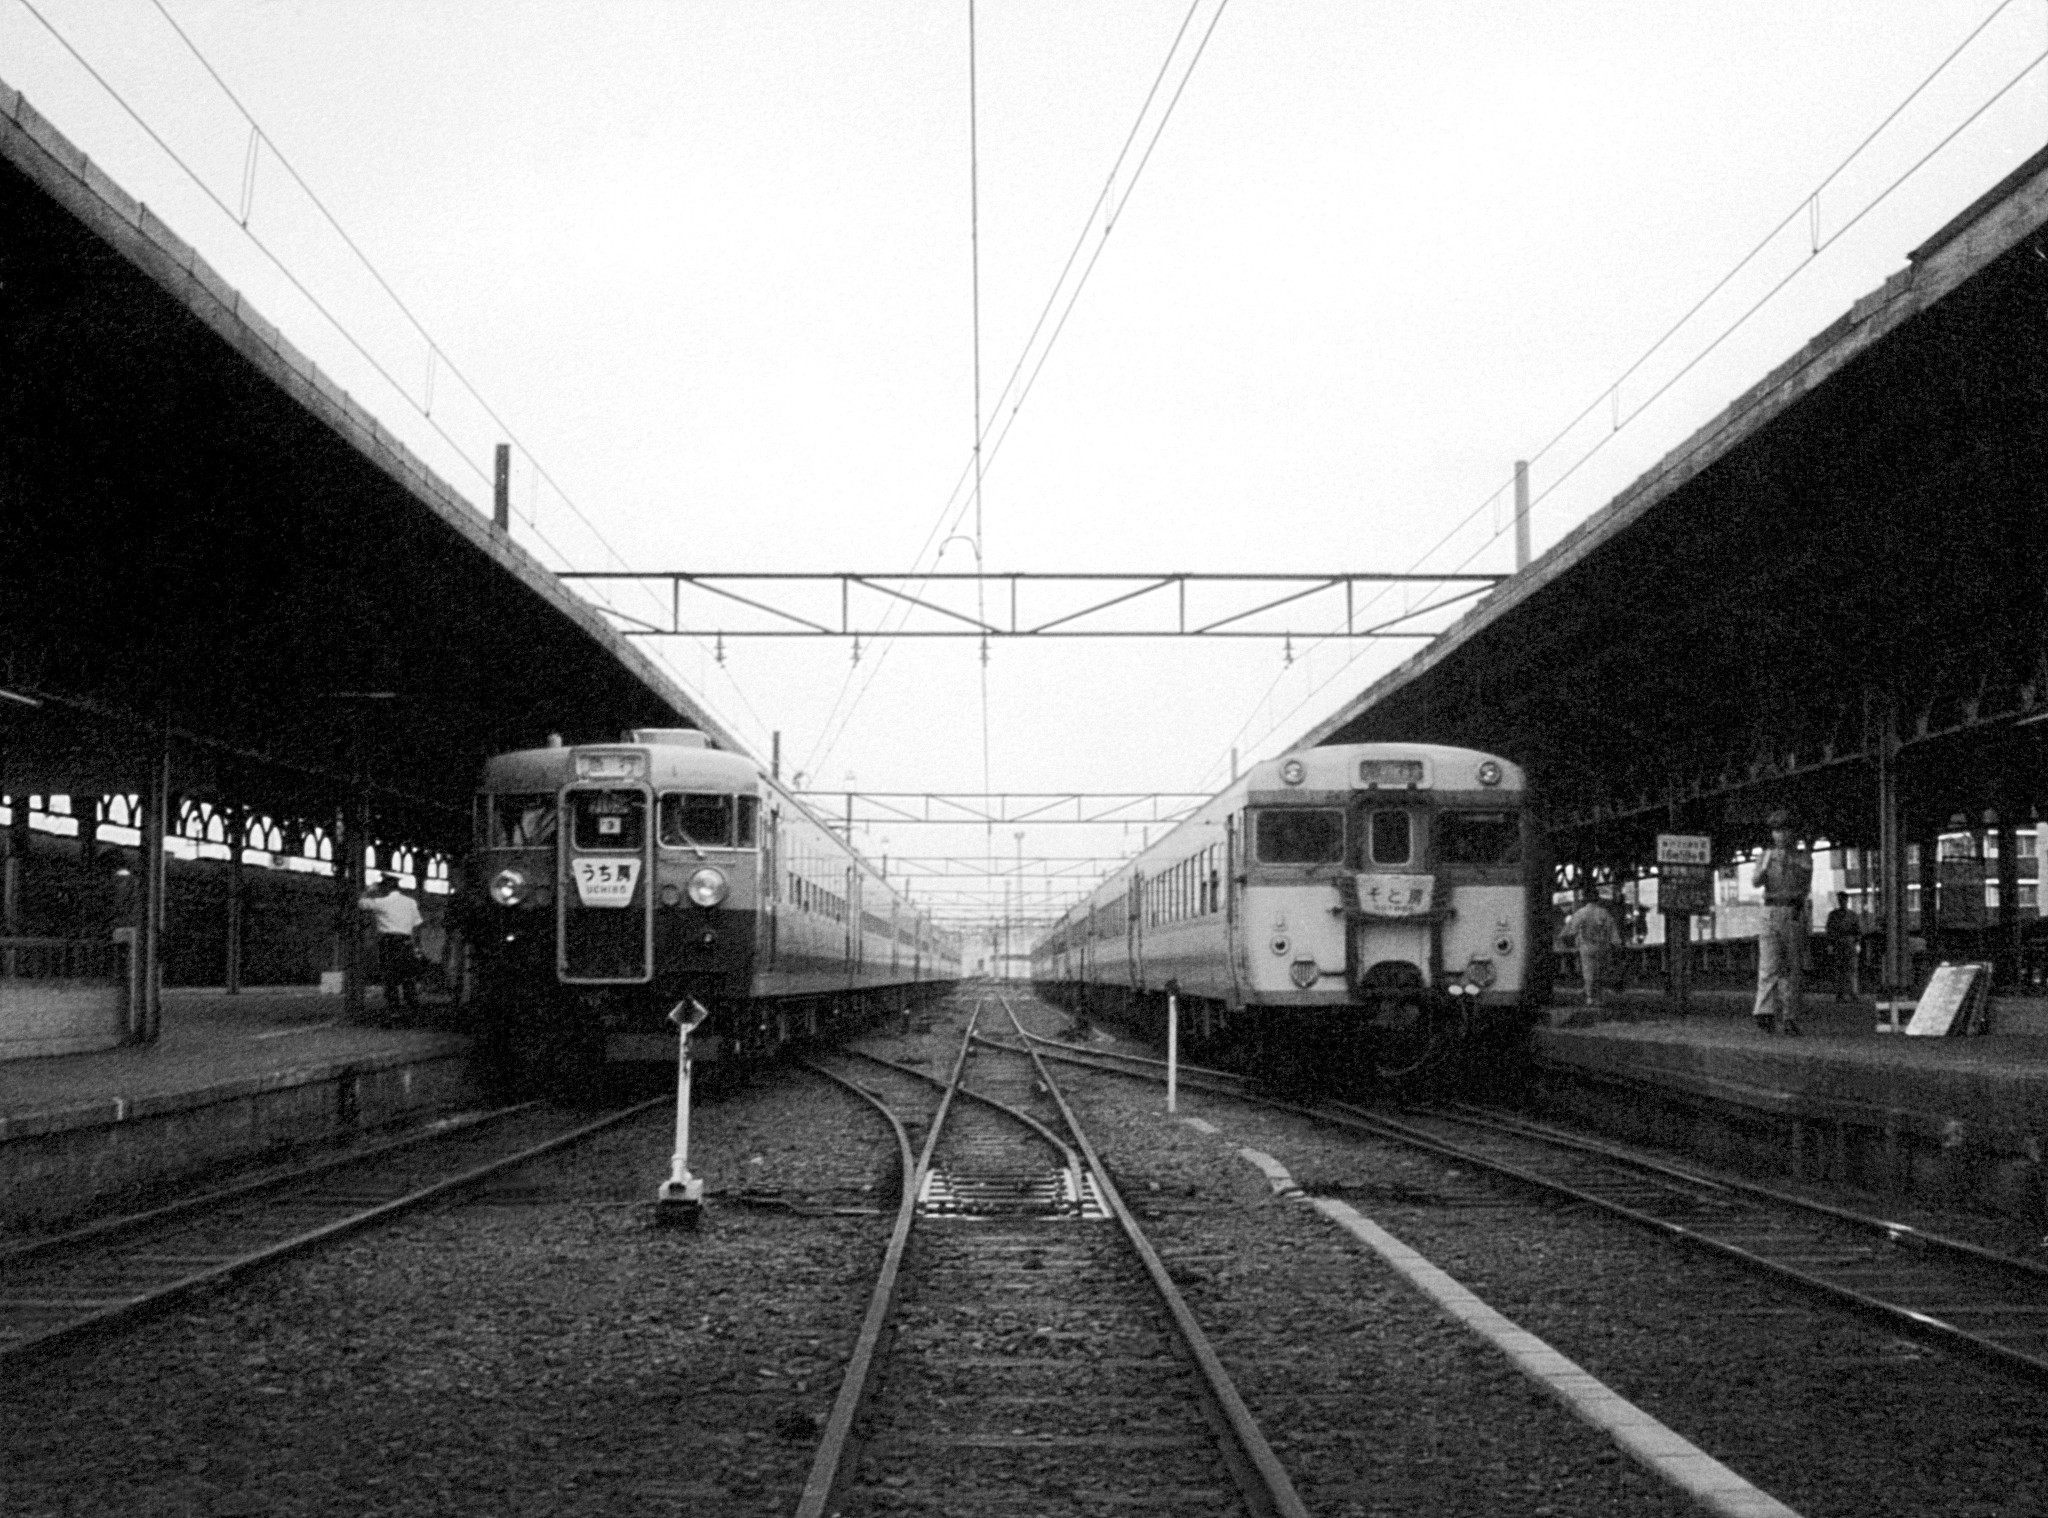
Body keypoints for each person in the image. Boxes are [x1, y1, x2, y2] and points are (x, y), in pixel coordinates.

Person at [1750, 812, 1813, 1034]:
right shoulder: (1765, 856)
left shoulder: (1803, 857)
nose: (1780, 835)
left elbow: (1804, 884)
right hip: (1770, 909)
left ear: (1793, 833)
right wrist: (1766, 864)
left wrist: (1789, 862)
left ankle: (1790, 1016)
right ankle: (1764, 1012)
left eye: (1784, 830)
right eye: (1776, 830)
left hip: (1793, 910)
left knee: (1791, 967)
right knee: (1768, 964)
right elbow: (1756, 882)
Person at [357, 876, 423, 1013]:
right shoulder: (411, 902)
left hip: (389, 942)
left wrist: (369, 890)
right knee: (408, 978)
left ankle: (394, 1009)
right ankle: (412, 1009)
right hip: (406, 942)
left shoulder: (382, 902)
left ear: (385, 888)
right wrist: (416, 946)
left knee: (390, 977)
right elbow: (417, 925)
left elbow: (361, 903)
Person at [1562, 888, 1618, 1009]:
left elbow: (1570, 930)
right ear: (1597, 898)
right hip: (1602, 946)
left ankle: (1589, 997)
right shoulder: (1604, 913)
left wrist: (1568, 940)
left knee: (1588, 971)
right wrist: (1615, 943)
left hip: (1586, 945)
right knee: (1600, 970)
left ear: (1584, 899)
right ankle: (1598, 996)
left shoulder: (1580, 913)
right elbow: (1612, 931)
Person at [1824, 891, 1861, 1003]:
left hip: (1846, 943)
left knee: (1850, 970)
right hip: (1840, 943)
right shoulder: (1846, 915)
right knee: (1841, 970)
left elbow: (1858, 931)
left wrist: (1857, 943)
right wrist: (1830, 944)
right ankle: (1842, 994)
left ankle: (1852, 993)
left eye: (1843, 900)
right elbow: (1829, 931)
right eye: (1840, 900)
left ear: (1846, 901)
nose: (1842, 902)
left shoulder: (1837, 915)